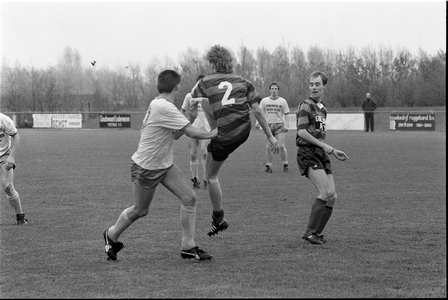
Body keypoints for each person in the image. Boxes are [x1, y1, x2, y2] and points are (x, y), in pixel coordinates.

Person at [103, 70, 217, 262]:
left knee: (189, 198)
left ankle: (188, 247)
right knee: (140, 210)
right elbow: (191, 132)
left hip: (163, 164)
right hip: (147, 166)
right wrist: (215, 133)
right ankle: (111, 234)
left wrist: (188, 117)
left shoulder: (159, 104)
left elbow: (175, 134)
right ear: (177, 86)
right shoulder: (164, 107)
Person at [190, 45, 279, 237]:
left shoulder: (204, 82)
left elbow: (190, 103)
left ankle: (218, 219)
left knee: (211, 176)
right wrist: (270, 136)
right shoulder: (243, 82)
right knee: (206, 103)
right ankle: (216, 131)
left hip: (224, 134)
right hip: (243, 129)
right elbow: (256, 110)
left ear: (212, 63)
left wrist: (182, 127)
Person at [296, 71, 348, 244]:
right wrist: (327, 147)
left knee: (332, 196)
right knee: (325, 192)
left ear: (324, 86)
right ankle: (309, 232)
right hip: (307, 153)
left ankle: (316, 233)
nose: (314, 87)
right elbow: (302, 132)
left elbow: (321, 135)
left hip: (320, 153)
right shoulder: (306, 105)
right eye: (311, 84)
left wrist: (330, 150)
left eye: (317, 84)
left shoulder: (322, 109)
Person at [181, 74, 210, 189]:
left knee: (204, 153)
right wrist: (180, 124)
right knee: (193, 154)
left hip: (205, 130)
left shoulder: (209, 97)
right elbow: (182, 111)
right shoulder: (189, 96)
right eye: (199, 83)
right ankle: (195, 179)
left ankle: (206, 179)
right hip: (192, 129)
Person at [255, 82, 290, 173]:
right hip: (268, 126)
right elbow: (259, 112)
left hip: (279, 125)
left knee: (281, 146)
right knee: (268, 146)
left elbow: (286, 114)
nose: (274, 90)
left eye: (276, 89)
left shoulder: (283, 101)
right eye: (272, 88)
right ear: (270, 90)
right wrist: (257, 122)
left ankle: (285, 164)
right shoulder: (264, 101)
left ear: (278, 90)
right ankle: (269, 166)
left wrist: (286, 125)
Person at [0, 113, 28, 225]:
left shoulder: (3, 119)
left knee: (8, 187)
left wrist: (11, 157)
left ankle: (20, 216)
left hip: (4, 155)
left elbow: (16, 136)